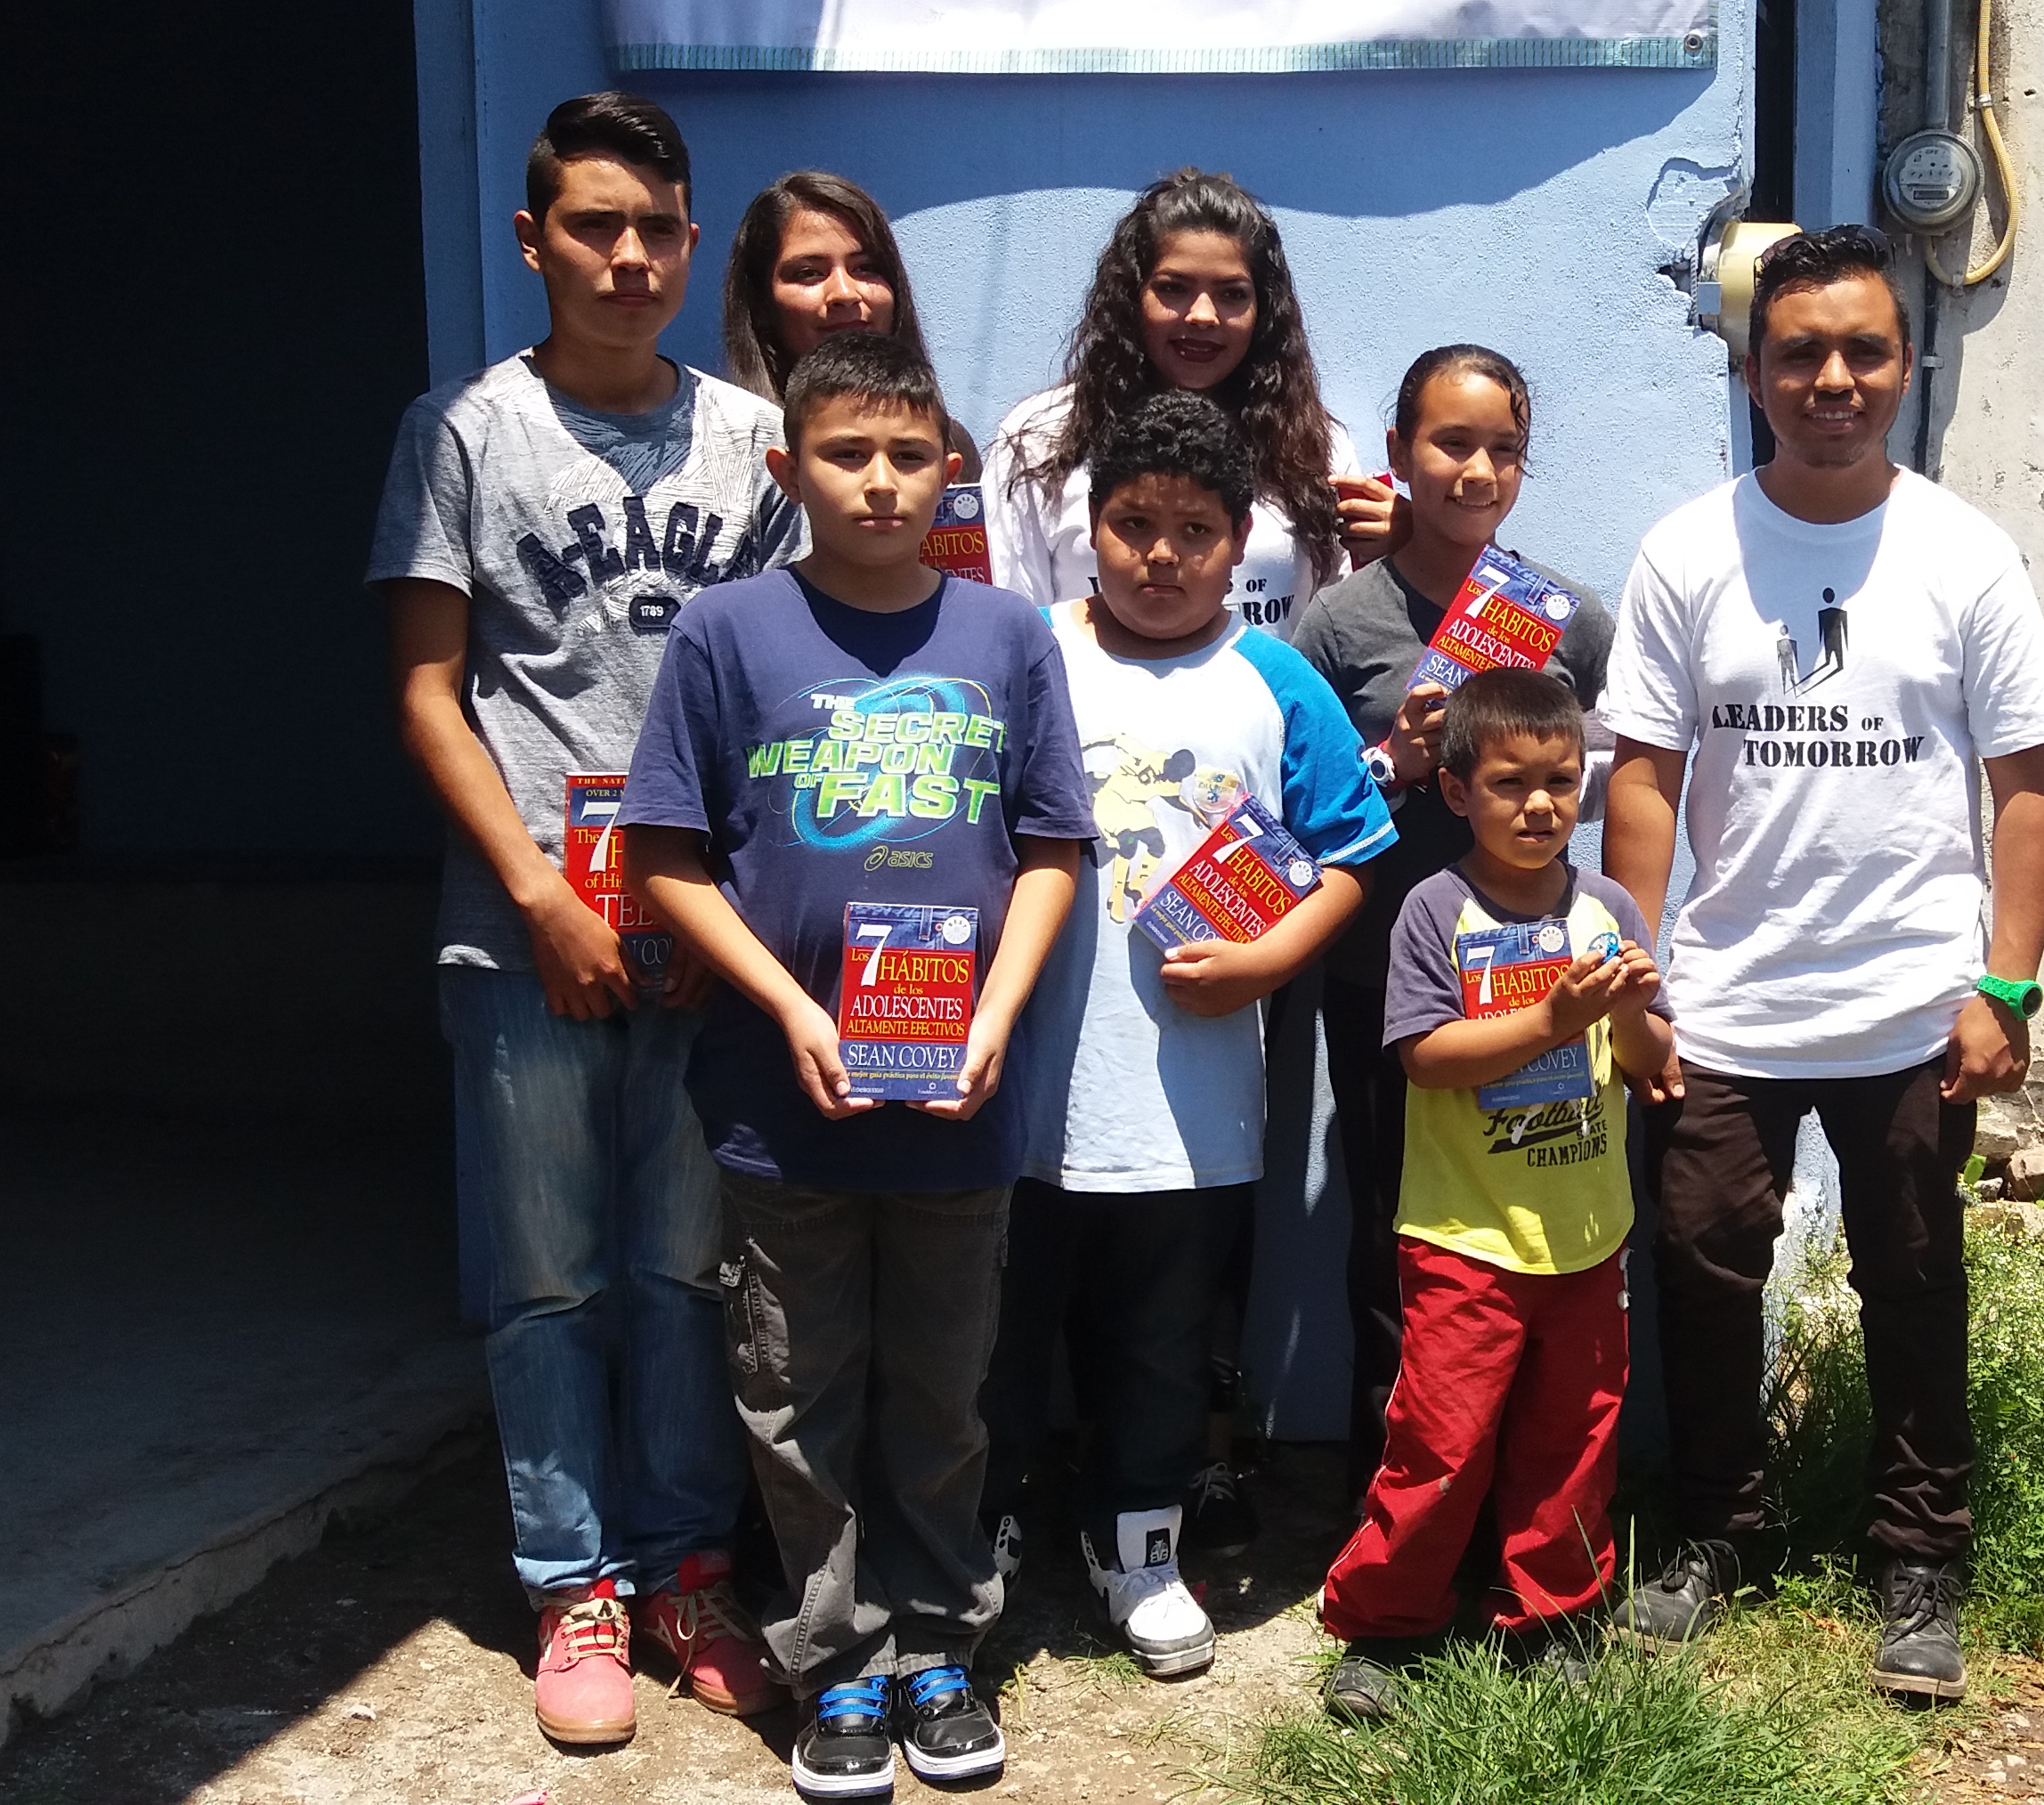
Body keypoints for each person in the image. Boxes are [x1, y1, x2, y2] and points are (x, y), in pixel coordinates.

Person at [1598, 224, 2044, 1701]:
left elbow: (2029, 783)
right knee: (1699, 1269)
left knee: (1915, 1279)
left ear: (1905, 365)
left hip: (1910, 1003)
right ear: (1753, 372)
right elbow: (1643, 774)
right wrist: (1633, 978)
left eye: (1863, 350)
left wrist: (2005, 986)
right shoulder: (1689, 549)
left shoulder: (1963, 552)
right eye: (1800, 351)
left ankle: (1917, 1556)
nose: (1832, 379)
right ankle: (1715, 1529)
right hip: (1725, 999)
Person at [620, 330, 1095, 1799]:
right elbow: (664, 857)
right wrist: (790, 1008)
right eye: (846, 454)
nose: (880, 482)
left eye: (906, 455)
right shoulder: (727, 632)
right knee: (796, 1390)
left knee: (942, 1393)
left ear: (949, 469)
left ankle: (941, 1644)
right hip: (786, 1107)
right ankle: (834, 1661)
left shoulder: (1005, 637)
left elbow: (1052, 847)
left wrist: (996, 1015)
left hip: (956, 1105)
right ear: (788, 466)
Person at [368, 90, 787, 1749]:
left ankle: (688, 1568)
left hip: (702, 928)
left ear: (690, 244)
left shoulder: (755, 437)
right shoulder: (464, 431)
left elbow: (785, 685)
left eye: (656, 229)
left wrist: (719, 905)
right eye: (593, 226)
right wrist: (541, 893)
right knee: (549, 1280)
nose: (627, 257)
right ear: (532, 239)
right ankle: (572, 1586)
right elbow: (425, 688)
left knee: (685, 1269)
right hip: (523, 929)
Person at [984, 389, 1395, 1676]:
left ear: (1239, 545)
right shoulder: (1023, 651)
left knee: (1165, 1342)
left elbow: (1350, 852)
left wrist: (1268, 958)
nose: (1161, 556)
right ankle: (983, 1527)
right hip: (1016, 1088)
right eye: (1133, 524)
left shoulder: (1273, 678)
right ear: (1088, 531)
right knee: (997, 1330)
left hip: (1192, 1102)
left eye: (1196, 531)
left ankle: (1139, 1541)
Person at [1287, 344, 1616, 1513]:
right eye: (1451, 443)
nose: (1477, 471)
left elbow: (1598, 781)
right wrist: (1397, 759)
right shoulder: (1339, 626)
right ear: (1399, 454)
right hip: (1387, 979)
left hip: (1535, 977)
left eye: (1503, 449)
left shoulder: (1568, 620)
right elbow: (1298, 816)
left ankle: (1523, 1500)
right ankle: (1395, 1507)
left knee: (1529, 1227)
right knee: (1398, 1231)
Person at [1316, 666, 1672, 1722]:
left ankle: (1552, 1617)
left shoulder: (1607, 907)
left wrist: (1635, 1013)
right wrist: (1553, 1020)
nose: (1540, 805)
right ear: (1457, 791)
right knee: (1441, 1443)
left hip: (1588, 1235)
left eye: (1560, 781)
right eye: (1510, 783)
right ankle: (1386, 1626)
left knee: (1574, 1441)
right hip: (1462, 1236)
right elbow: (1425, 1057)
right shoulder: (1434, 908)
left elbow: (1651, 1064)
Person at [981, 168, 1396, 630]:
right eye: (1173, 288)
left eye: (1232, 294)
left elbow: (1337, 625)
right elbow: (1012, 626)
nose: (1202, 316)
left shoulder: (1313, 446)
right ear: (1132, 297)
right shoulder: (1040, 440)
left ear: (1263, 311)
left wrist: (1407, 555)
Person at [718, 168, 982, 482]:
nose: (845, 293)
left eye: (866, 268)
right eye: (809, 273)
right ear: (761, 305)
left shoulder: (947, 444)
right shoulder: (725, 450)